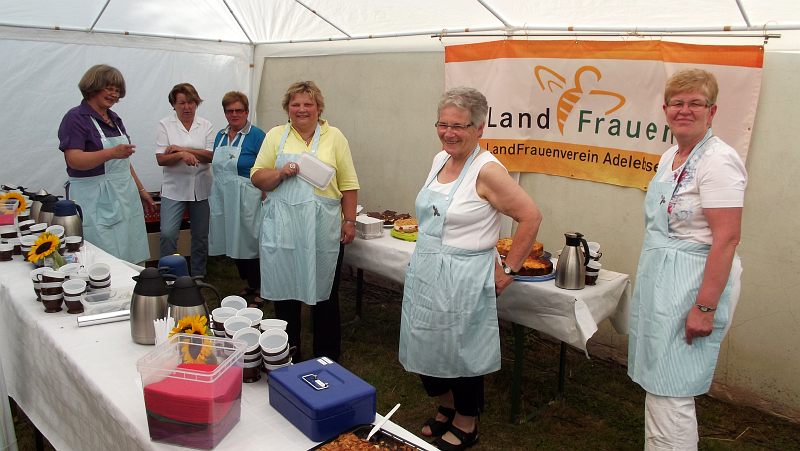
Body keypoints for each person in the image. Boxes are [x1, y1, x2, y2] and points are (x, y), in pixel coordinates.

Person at [398, 87, 542, 451]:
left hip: (462, 274)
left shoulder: (487, 170)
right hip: (429, 267)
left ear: (480, 127)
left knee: (458, 350)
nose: (449, 133)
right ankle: (446, 406)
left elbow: (530, 216)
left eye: (459, 126)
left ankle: (467, 420)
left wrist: (508, 269)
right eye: (443, 125)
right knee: (427, 344)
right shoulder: (440, 160)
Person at [628, 69, 747, 450]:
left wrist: (705, 307)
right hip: (664, 281)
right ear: (665, 109)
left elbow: (726, 239)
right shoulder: (670, 156)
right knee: (658, 382)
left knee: (671, 389)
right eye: (677, 103)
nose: (685, 110)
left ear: (712, 112)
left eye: (695, 103)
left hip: (694, 282)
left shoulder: (719, 161)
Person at [251, 81, 359, 362]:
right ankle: (287, 354)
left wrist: (349, 221)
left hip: (322, 228)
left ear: (318, 108)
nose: (301, 109)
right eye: (295, 104)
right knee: (285, 294)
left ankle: (327, 358)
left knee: (325, 294)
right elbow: (256, 177)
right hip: (284, 226)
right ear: (287, 109)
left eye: (307, 104)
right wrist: (280, 173)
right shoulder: (276, 135)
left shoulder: (334, 136)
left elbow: (348, 183)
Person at [57, 64, 155, 264]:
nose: (114, 94)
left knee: (131, 244)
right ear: (93, 86)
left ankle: (134, 287)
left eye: (117, 91)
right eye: (109, 88)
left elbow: (124, 160)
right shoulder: (76, 118)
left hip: (124, 193)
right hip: (96, 197)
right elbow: (74, 160)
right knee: (105, 252)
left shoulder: (114, 119)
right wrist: (111, 153)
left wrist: (141, 189)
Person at [208, 91, 266, 306]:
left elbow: (268, 165)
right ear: (225, 113)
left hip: (247, 195)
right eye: (230, 110)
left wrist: (265, 195)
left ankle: (263, 286)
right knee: (231, 239)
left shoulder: (257, 136)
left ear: (246, 111)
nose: (234, 114)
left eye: (238, 110)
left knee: (251, 240)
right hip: (224, 195)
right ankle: (249, 282)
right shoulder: (221, 136)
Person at [156, 83, 214, 277]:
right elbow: (161, 159)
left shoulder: (206, 125)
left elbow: (210, 155)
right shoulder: (165, 125)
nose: (187, 107)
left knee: (200, 235)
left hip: (201, 188)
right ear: (174, 104)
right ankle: (170, 274)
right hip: (174, 189)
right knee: (168, 233)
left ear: (196, 103)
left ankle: (198, 274)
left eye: (191, 102)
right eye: (182, 103)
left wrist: (181, 150)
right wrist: (181, 156)